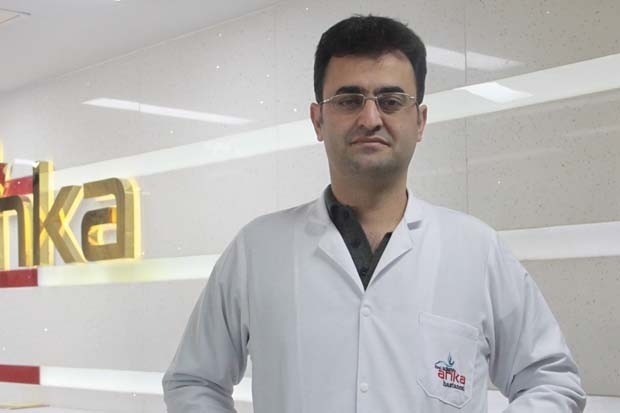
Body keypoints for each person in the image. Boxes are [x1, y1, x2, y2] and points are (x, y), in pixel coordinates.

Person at [163, 15, 586, 412]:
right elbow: (193, 381)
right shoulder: (257, 249)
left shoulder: (477, 249)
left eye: (391, 100)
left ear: (420, 121)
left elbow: (551, 380)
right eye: (349, 100)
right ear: (318, 119)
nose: (370, 118)